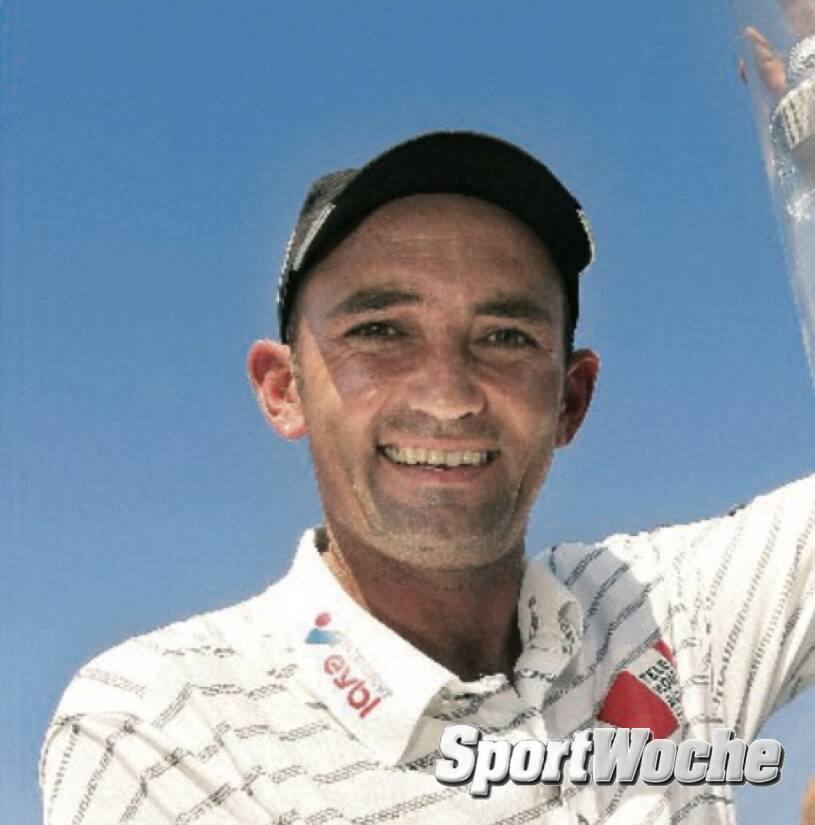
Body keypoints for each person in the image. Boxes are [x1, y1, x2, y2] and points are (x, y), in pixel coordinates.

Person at [39, 130, 815, 825]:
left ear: (570, 399)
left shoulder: (659, 611)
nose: (447, 396)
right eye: (379, 330)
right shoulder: (163, 726)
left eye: (504, 337)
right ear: (284, 389)